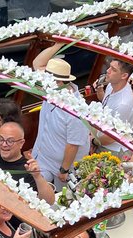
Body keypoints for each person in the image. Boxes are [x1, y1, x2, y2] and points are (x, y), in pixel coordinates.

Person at [31, 44, 91, 188]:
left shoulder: (76, 108)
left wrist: (64, 170)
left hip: (63, 167)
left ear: (58, 82)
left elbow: (73, 144)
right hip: (41, 157)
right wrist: (58, 44)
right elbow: (37, 64)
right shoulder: (51, 88)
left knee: (62, 199)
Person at [91, 58, 133, 155]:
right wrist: (93, 136)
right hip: (100, 140)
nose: (108, 70)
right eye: (109, 66)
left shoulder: (124, 104)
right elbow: (104, 108)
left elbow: (113, 137)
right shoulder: (111, 85)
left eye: (113, 69)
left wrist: (93, 141)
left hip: (113, 150)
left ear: (124, 75)